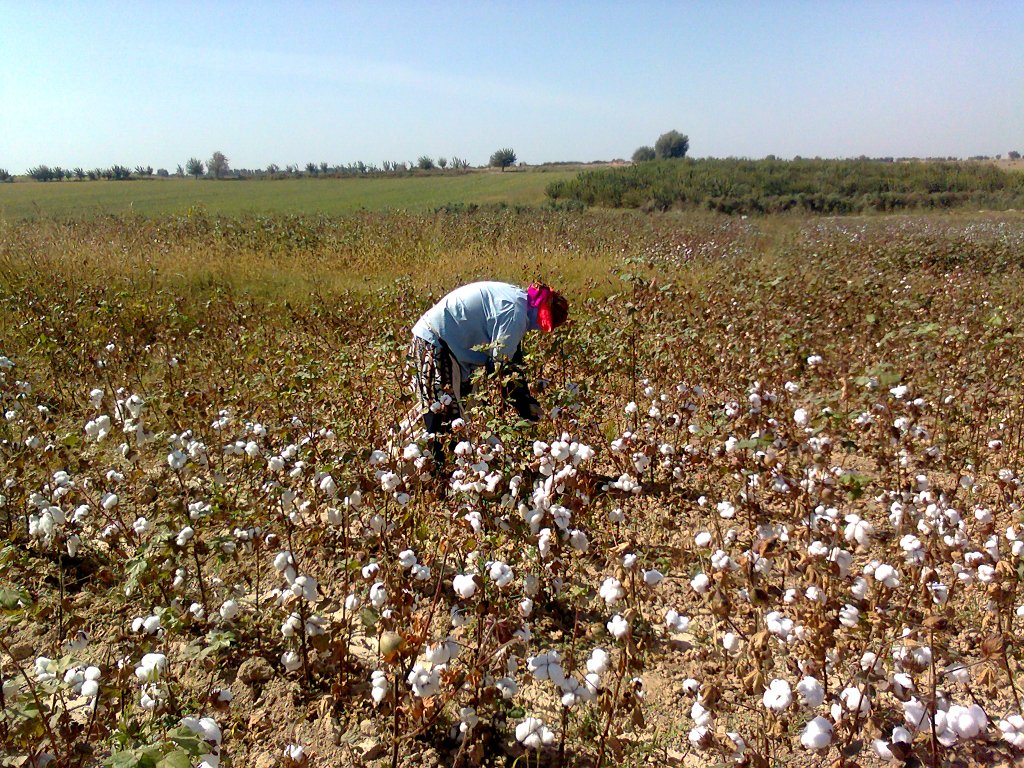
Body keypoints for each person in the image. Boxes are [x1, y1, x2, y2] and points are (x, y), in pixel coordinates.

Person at [408, 280, 569, 465]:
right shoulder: (514, 314)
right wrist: (522, 404)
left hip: (446, 345)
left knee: (449, 411)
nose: (540, 329)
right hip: (436, 344)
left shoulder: (518, 301)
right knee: (443, 418)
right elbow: (500, 368)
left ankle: (440, 466)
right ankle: (434, 473)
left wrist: (522, 394)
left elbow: (511, 357)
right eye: (545, 324)